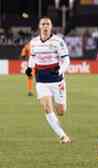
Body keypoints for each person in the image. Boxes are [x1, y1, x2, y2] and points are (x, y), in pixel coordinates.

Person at [26, 16, 72, 144]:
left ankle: (62, 105)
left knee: (61, 111)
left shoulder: (58, 41)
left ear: (51, 27)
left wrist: (60, 71)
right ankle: (63, 136)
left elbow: (66, 60)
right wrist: (29, 68)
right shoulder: (34, 42)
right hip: (41, 80)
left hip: (57, 80)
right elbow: (32, 57)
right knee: (46, 107)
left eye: (48, 24)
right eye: (43, 24)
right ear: (39, 27)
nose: (45, 26)